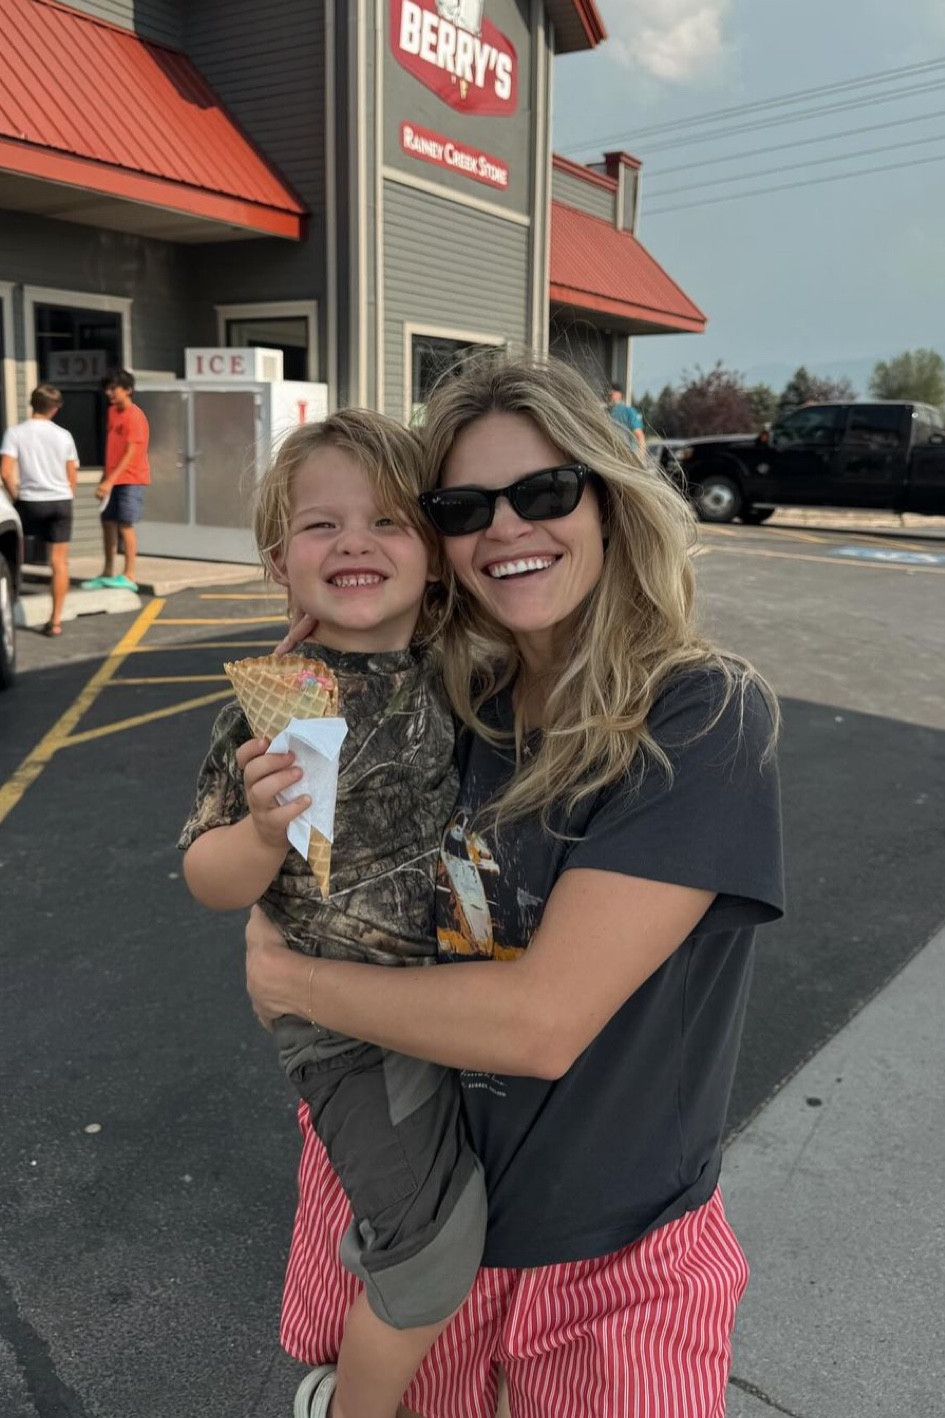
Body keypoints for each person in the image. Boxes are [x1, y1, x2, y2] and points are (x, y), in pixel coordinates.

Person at [249, 353, 785, 1418]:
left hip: (612, 1259)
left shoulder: (700, 717)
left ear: (605, 495)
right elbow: (292, 877)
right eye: (462, 506)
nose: (507, 529)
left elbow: (541, 1021)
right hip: (422, 1200)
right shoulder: (442, 698)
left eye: (544, 491)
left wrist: (290, 984)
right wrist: (303, 692)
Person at [178, 411, 486, 1418]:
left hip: (455, 994)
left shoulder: (452, 665)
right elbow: (205, 874)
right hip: (346, 1029)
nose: (354, 541)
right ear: (280, 562)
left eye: (388, 521)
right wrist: (262, 835)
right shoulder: (285, 701)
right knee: (434, 1243)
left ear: (435, 561)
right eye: (322, 525)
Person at [0, 384, 79, 637]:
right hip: (60, 501)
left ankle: (10, 608)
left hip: (30, 501)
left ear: (32, 404)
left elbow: (4, 471)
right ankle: (55, 621)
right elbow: (71, 475)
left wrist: (17, 496)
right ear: (55, 408)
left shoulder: (15, 433)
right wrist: (66, 495)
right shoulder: (64, 435)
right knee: (59, 562)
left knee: (14, 556)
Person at [81, 367, 149, 592]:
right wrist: (105, 477)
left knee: (125, 525)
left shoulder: (135, 416)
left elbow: (131, 453)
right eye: (107, 389)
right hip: (112, 478)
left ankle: (129, 574)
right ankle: (108, 571)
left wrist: (110, 481)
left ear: (128, 390)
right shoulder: (112, 413)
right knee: (107, 523)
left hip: (131, 478)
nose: (109, 393)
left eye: (113, 388)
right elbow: (113, 449)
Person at [608, 380, 647, 453]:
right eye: (609, 394)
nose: (609, 396)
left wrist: (639, 456)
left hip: (627, 456)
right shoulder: (606, 412)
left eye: (612, 393)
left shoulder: (628, 412)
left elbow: (640, 436)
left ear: (619, 395)